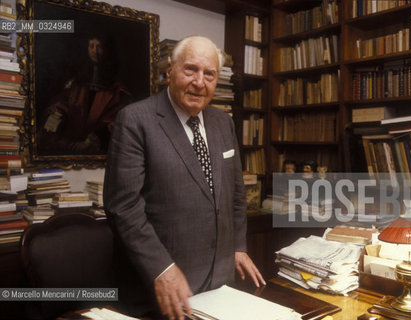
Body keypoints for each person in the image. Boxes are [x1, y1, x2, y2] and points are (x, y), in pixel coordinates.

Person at [104, 36, 265, 320]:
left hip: (220, 285)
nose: (199, 82)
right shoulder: (135, 120)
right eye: (190, 69)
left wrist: (238, 246)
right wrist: (161, 269)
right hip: (162, 291)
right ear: (170, 71)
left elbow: (235, 195)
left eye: (209, 74)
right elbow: (123, 207)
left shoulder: (223, 122)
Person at [40, 34, 132, 154]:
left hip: (98, 143)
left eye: (99, 47)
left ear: (107, 50)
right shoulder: (76, 83)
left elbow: (120, 120)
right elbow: (63, 103)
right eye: (91, 46)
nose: (95, 51)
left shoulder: (119, 90)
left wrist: (97, 137)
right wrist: (56, 115)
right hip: (71, 141)